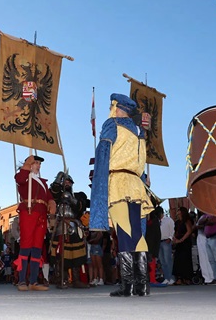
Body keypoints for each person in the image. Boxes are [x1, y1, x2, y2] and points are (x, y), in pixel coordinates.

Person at [89, 93, 153, 297]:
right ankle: (142, 285)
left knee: (124, 231)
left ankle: (128, 286)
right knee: (136, 232)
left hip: (117, 182)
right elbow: (141, 162)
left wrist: (99, 180)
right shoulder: (139, 132)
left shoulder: (111, 124)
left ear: (116, 107)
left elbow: (104, 153)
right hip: (135, 183)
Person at [14, 155, 56, 291]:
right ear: (30, 164)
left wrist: (51, 202)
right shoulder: (24, 177)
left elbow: (49, 196)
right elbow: (19, 180)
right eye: (35, 163)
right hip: (29, 212)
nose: (38, 165)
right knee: (26, 245)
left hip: (41, 215)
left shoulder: (43, 182)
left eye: (39, 163)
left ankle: (33, 281)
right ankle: (21, 280)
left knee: (37, 247)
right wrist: (26, 166)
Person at [49, 172, 89, 289]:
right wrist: (58, 177)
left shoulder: (77, 196)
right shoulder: (57, 196)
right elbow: (54, 191)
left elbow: (81, 207)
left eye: (69, 182)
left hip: (74, 225)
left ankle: (76, 280)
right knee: (60, 255)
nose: (67, 184)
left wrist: (72, 200)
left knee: (76, 255)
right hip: (61, 225)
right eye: (65, 182)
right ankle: (61, 279)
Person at [172, 207, 194, 285]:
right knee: (178, 259)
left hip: (185, 242)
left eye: (179, 211)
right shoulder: (177, 222)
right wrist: (175, 239)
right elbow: (175, 231)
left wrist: (181, 240)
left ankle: (187, 278)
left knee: (185, 259)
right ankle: (179, 278)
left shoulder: (186, 221)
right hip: (178, 242)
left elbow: (189, 231)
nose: (177, 212)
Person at [156, 206, 174, 285]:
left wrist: (170, 238)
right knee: (162, 261)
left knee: (168, 260)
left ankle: (170, 277)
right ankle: (166, 278)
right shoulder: (156, 221)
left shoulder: (169, 220)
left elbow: (172, 230)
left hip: (166, 241)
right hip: (159, 242)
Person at [195, 212, 215, 285]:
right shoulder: (202, 217)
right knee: (202, 258)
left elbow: (207, 225)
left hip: (207, 236)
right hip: (200, 236)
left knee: (208, 257)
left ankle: (212, 276)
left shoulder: (211, 215)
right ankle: (206, 278)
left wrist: (202, 224)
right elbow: (197, 226)